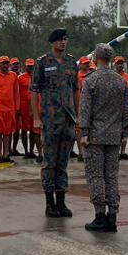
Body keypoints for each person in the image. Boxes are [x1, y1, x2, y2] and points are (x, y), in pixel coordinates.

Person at [79, 43, 128, 232]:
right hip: (114, 136)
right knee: (111, 176)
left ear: (95, 58)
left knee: (95, 176)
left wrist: (84, 132)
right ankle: (113, 217)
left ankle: (100, 215)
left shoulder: (91, 80)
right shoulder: (121, 81)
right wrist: (125, 132)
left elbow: (85, 108)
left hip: (95, 135)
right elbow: (127, 109)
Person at [31, 29, 80, 218]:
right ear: (52, 42)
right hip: (50, 120)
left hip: (68, 120)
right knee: (49, 162)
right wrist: (36, 116)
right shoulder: (43, 62)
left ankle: (61, 202)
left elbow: (76, 89)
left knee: (63, 162)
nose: (63, 43)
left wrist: (79, 115)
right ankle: (49, 203)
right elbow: (34, 91)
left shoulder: (71, 62)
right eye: (60, 40)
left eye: (65, 39)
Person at [113, 55, 128, 160]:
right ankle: (115, 152)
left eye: (121, 63)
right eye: (118, 63)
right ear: (114, 64)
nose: (120, 65)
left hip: (125, 107)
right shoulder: (111, 76)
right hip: (114, 108)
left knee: (125, 130)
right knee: (115, 130)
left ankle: (123, 152)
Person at [17, 59, 38, 161]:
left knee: (34, 130)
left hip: (34, 107)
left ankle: (31, 150)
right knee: (24, 130)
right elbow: (16, 93)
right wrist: (18, 108)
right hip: (23, 107)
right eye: (29, 66)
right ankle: (26, 151)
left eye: (32, 66)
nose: (30, 67)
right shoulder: (20, 78)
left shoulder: (37, 78)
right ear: (25, 67)